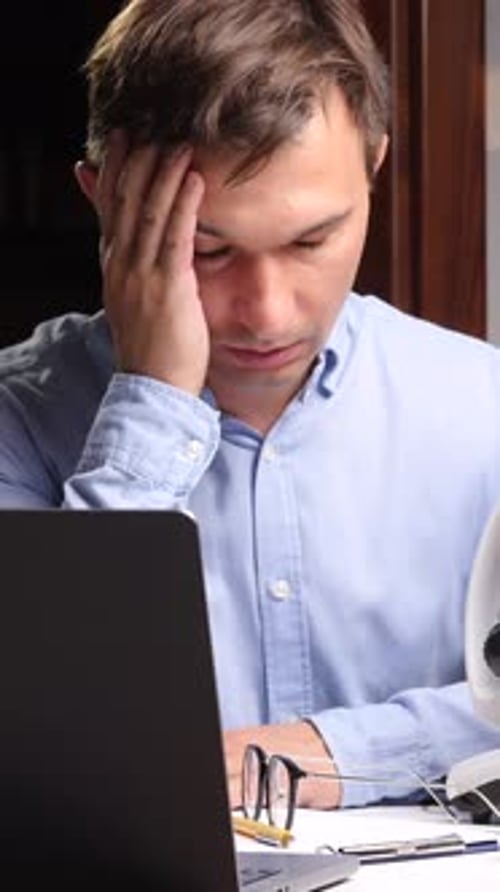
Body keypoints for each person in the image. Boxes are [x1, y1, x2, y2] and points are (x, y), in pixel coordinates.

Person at [1, 0, 500, 812]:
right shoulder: (17, 426)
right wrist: (153, 400)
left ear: (373, 166)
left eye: (311, 240)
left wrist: (332, 750)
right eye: (209, 249)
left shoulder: (485, 405)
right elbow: (39, 747)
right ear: (104, 204)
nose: (268, 313)